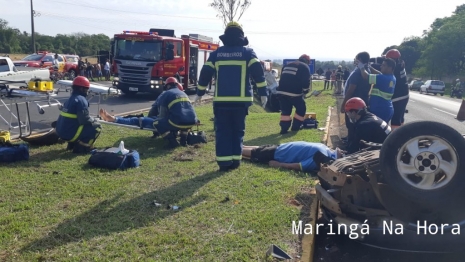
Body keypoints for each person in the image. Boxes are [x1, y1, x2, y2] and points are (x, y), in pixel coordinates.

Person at [194, 21, 268, 172]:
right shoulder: (248, 53)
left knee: (222, 132)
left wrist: (200, 93)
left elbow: (205, 73)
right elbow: (258, 74)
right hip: (241, 103)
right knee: (238, 131)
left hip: (221, 102)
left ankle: (224, 163)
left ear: (225, 37)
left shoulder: (216, 54)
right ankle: (235, 161)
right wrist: (263, 94)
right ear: (241, 36)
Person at [100, 77, 199, 148]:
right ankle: (183, 141)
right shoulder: (184, 93)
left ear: (167, 86)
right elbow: (188, 111)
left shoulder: (166, 94)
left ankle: (172, 143)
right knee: (183, 122)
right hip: (192, 121)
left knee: (145, 121)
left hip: (176, 121)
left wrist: (155, 123)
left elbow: (161, 116)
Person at [55, 76, 102, 153]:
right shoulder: (81, 100)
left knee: (74, 122)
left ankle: (71, 145)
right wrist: (94, 120)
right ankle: (83, 148)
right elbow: (84, 120)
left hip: (60, 132)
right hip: (69, 134)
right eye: (86, 89)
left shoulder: (70, 98)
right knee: (97, 127)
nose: (87, 91)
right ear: (81, 89)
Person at [242, 141, 344, 172]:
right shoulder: (321, 157)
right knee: (254, 153)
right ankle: (231, 150)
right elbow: (299, 166)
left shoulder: (324, 147)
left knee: (259, 148)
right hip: (278, 154)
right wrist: (279, 164)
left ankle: (236, 146)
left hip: (281, 147)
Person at [340, 52, 372, 143]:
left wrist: (343, 104)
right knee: (354, 123)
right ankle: (349, 138)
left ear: (360, 60)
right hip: (361, 101)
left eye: (356, 58)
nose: (355, 60)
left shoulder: (359, 71)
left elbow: (351, 90)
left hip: (354, 103)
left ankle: (351, 143)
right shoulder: (366, 70)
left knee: (351, 123)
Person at [276, 54, 312, 134]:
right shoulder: (305, 67)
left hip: (280, 92)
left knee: (285, 111)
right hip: (294, 93)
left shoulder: (287, 65)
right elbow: (306, 81)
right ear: (307, 61)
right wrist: (305, 91)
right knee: (301, 108)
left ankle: (284, 129)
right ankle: (296, 127)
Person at [359, 57, 397, 123]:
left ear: (390, 68)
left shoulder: (383, 78)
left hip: (380, 110)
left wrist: (361, 67)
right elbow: (380, 74)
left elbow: (366, 76)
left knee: (376, 131)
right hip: (387, 109)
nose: (381, 66)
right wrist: (369, 67)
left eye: (384, 65)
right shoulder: (392, 77)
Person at [385, 49, 409, 130]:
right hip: (404, 95)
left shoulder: (396, 68)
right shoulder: (400, 63)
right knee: (400, 117)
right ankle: (402, 133)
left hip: (398, 96)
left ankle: (395, 137)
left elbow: (383, 73)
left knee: (396, 118)